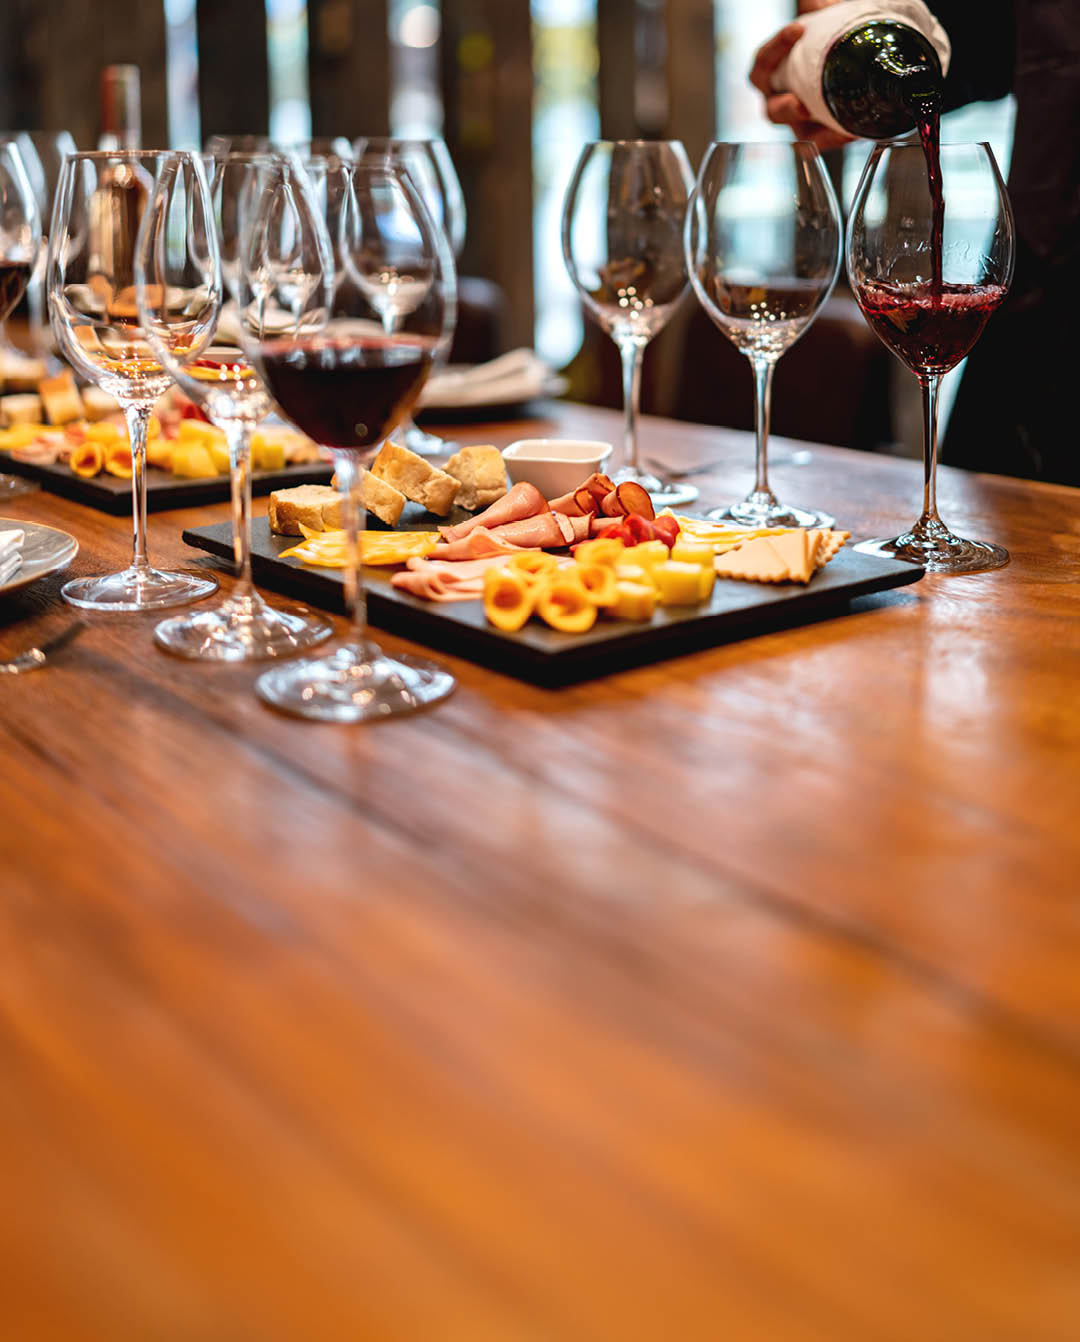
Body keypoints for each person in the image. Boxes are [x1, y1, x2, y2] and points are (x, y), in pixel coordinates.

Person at [750, 1, 1080, 487]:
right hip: (1037, 303)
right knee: (993, 530)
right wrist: (843, 51)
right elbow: (1000, 43)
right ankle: (931, 525)